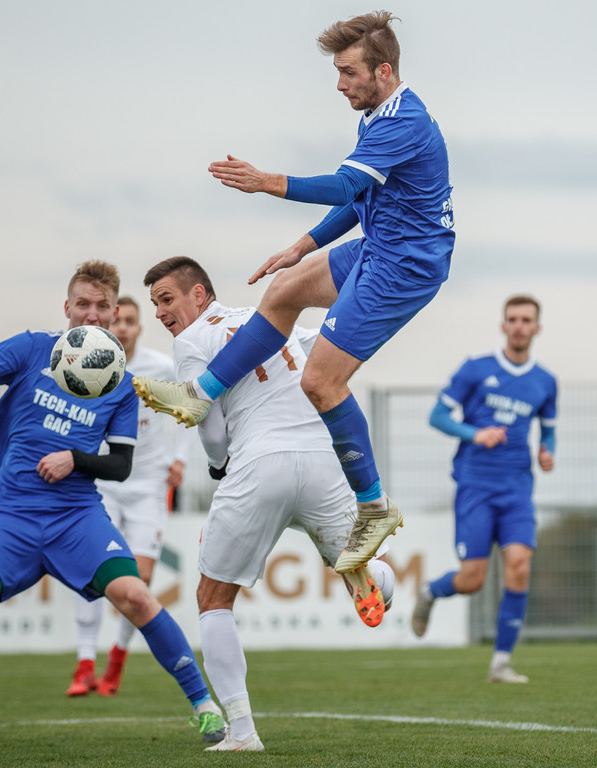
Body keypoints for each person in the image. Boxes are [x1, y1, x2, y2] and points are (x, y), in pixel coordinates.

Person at [132, 11, 455, 576]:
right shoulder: (379, 113)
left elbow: (343, 184)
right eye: (336, 72)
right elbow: (360, 202)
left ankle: (374, 507)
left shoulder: (403, 122)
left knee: (320, 382)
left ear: (383, 70)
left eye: (348, 72)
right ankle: (200, 393)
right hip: (381, 246)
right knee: (283, 290)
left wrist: (268, 182)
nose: (339, 84)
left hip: (405, 265)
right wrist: (301, 247)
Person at [0, 261, 225, 752]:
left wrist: (76, 459)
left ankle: (206, 709)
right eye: (82, 304)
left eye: (102, 307)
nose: (91, 314)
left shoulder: (119, 382)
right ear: (67, 307)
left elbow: (121, 466)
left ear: (113, 314)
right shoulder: (30, 349)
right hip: (13, 514)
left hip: (75, 517)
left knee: (136, 596)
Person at [142, 256, 397, 751]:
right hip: (324, 460)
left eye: (166, 299)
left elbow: (212, 430)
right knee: (362, 562)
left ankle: (241, 732)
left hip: (260, 462)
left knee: (214, 600)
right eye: (155, 304)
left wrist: (219, 469)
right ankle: (370, 577)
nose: (160, 312)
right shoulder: (275, 316)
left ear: (200, 295)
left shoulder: (191, 341)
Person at [411, 295, 557, 683]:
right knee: (472, 579)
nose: (519, 326)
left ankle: (501, 663)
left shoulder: (545, 382)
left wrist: (548, 452)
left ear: (537, 328)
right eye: (513, 319)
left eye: (527, 320)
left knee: (519, 568)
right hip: (475, 486)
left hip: (517, 491)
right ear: (503, 325)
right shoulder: (476, 369)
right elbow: (437, 416)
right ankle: (430, 591)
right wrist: (476, 434)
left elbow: (550, 430)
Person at [67, 296, 195, 697]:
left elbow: (189, 407)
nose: (122, 327)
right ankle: (84, 663)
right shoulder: (89, 365)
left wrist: (180, 459)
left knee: (139, 578)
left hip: (149, 486)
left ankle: (116, 661)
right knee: (90, 573)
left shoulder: (161, 367)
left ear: (140, 327)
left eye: (130, 321)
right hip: (102, 484)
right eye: (117, 320)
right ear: (107, 326)